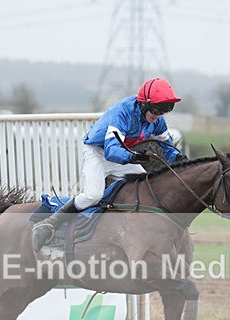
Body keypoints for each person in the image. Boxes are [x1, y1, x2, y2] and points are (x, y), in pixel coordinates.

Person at [32, 77, 184, 251]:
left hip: (122, 155)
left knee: (144, 189)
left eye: (165, 110)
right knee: (92, 196)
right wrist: (131, 157)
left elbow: (168, 146)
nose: (158, 115)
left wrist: (179, 160)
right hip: (97, 152)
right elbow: (111, 150)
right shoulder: (123, 112)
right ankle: (51, 223)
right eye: (157, 109)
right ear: (144, 104)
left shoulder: (157, 120)